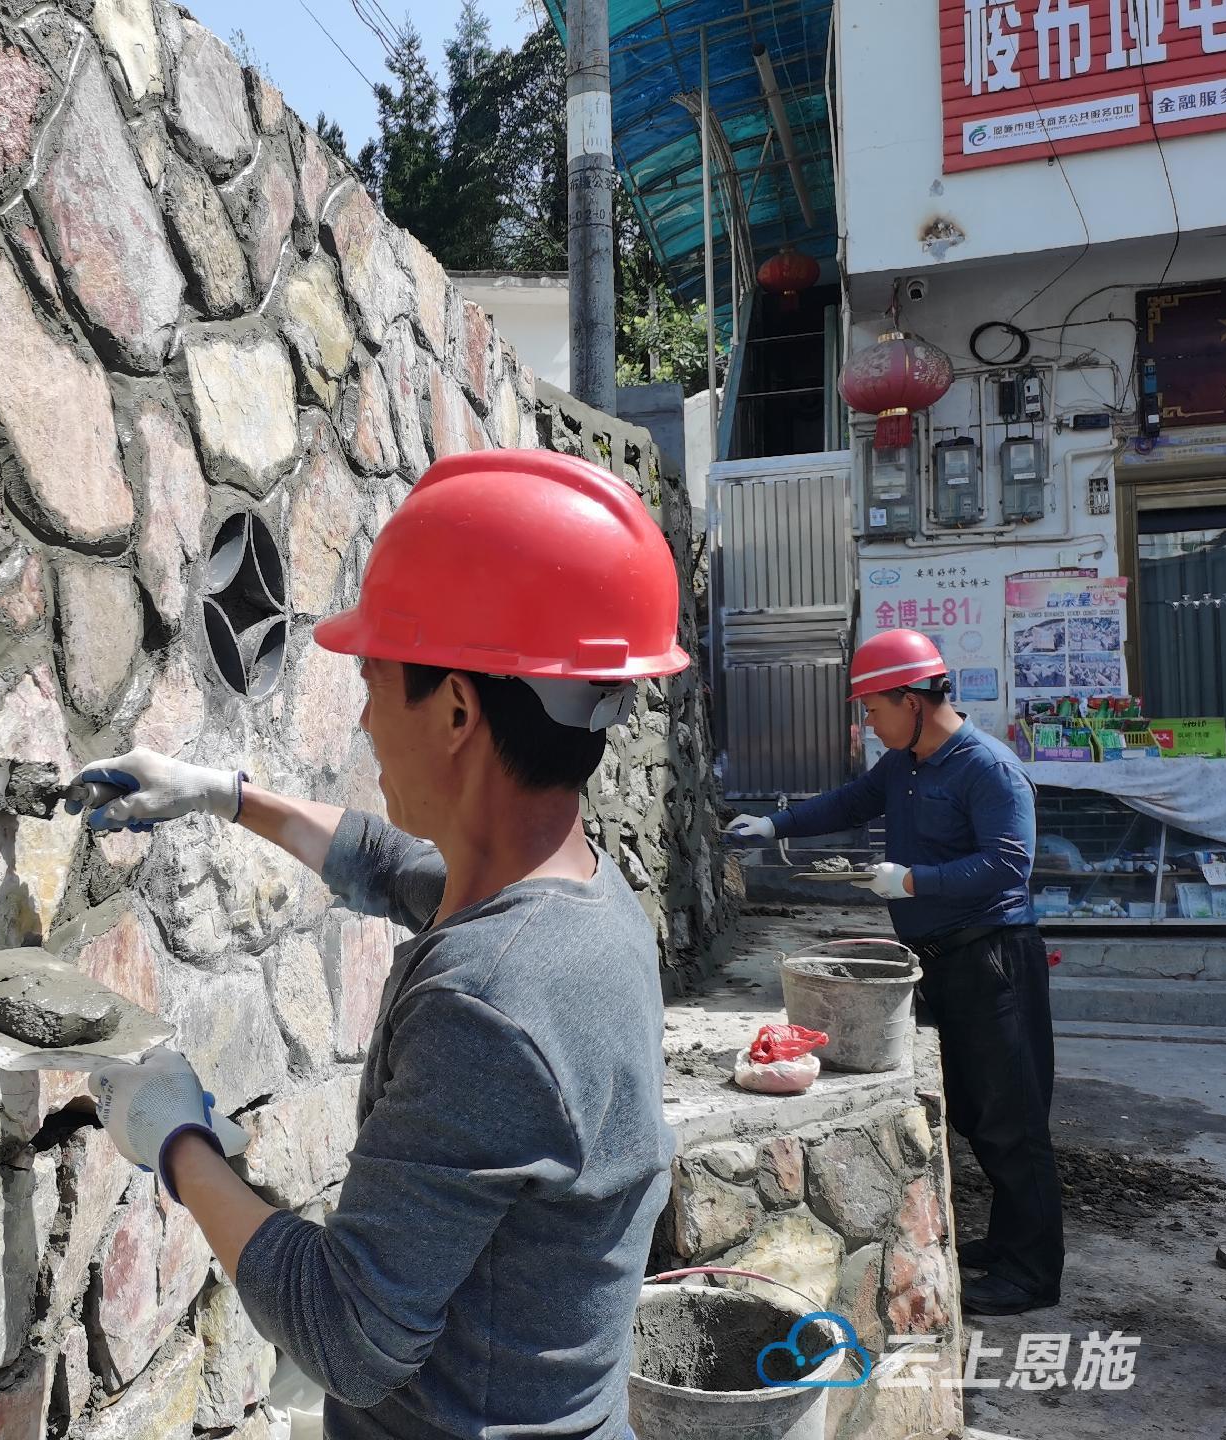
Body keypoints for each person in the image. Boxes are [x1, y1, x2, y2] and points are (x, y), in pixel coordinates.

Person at [71, 451, 686, 1438]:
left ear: (454, 710)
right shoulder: (582, 904)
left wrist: (174, 1140)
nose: (359, 720)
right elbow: (388, 861)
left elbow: (350, 1335)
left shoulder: (490, 1004)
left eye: (372, 683)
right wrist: (220, 793)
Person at [728, 628, 1062, 1316]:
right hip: (943, 960)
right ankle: (1006, 1247)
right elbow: (852, 802)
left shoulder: (986, 768)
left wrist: (914, 880)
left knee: (1012, 1115)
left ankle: (1032, 1273)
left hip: (994, 958)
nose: (870, 725)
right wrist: (774, 825)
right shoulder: (907, 763)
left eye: (874, 709)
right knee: (975, 1109)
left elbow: (1008, 866)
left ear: (912, 699)